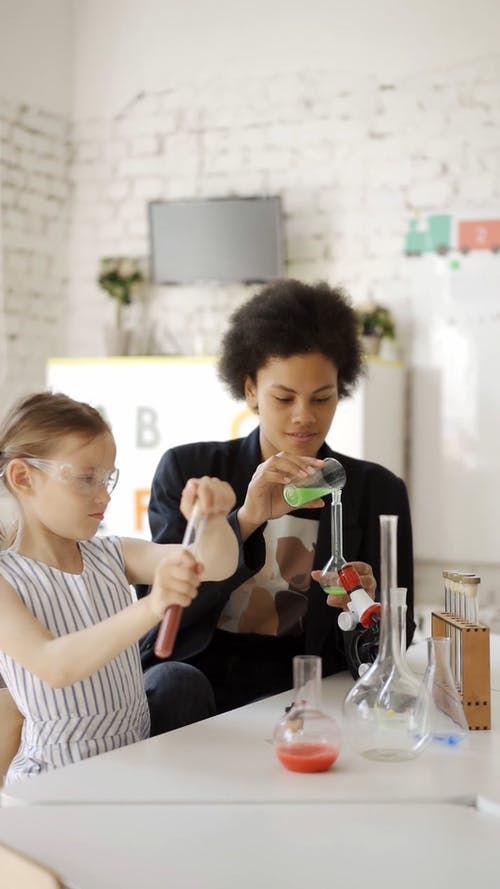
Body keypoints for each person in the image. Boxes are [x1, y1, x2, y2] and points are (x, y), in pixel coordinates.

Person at [139, 279, 415, 714]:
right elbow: (160, 619)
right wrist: (246, 518)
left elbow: (394, 643)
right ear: (250, 389)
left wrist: (366, 607)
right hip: (201, 678)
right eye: (283, 398)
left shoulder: (376, 491)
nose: (304, 417)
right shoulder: (189, 470)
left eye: (322, 398)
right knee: (173, 685)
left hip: (312, 685)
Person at [0, 391, 238, 785]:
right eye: (85, 478)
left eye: (107, 477)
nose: (104, 494)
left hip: (133, 764)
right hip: (55, 785)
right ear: (24, 478)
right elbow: (54, 666)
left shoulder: (112, 554)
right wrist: (153, 606)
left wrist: (213, 520)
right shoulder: (7, 579)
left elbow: (215, 563)